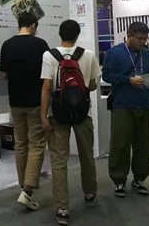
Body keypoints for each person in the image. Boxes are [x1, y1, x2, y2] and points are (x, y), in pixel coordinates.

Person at [41, 20, 101, 225]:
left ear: (60, 33)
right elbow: (92, 85)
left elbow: (46, 87)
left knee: (59, 160)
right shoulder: (88, 55)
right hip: (82, 113)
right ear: (77, 35)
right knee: (87, 155)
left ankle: (62, 208)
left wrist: (43, 116)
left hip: (57, 114)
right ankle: (90, 193)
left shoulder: (49, 55)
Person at [0, 13, 49, 211]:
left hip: (15, 101)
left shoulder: (7, 45)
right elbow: (47, 75)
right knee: (36, 144)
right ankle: (27, 191)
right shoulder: (41, 45)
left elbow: (4, 74)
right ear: (33, 25)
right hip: (35, 101)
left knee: (20, 144)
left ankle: (23, 186)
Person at [102, 21, 149, 198]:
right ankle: (119, 180)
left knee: (144, 144)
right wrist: (128, 80)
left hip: (145, 104)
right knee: (120, 144)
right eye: (139, 38)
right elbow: (107, 75)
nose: (143, 42)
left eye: (145, 39)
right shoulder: (115, 53)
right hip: (122, 104)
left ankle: (140, 178)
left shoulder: (148, 54)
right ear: (129, 36)